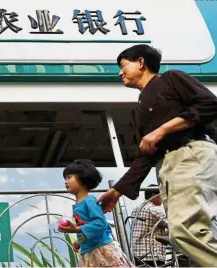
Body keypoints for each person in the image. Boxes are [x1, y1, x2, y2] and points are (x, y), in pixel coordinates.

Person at [98, 44, 217, 267]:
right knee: (184, 234)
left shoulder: (171, 79)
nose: (120, 72)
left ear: (141, 63)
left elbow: (210, 104)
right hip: (169, 165)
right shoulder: (142, 104)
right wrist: (117, 191)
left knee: (185, 230)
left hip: (189, 155)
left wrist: (162, 130)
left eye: (123, 66)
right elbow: (145, 155)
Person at [58, 159, 134, 267]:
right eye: (65, 178)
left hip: (102, 250)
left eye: (69, 177)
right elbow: (85, 225)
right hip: (90, 251)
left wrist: (77, 229)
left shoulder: (89, 201)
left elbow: (100, 224)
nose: (66, 181)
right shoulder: (79, 204)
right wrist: (80, 241)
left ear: (82, 178)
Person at [130, 184, 168, 267]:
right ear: (154, 195)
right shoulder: (154, 209)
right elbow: (172, 226)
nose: (163, 199)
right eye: (161, 195)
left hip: (137, 255)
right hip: (153, 255)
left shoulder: (135, 210)